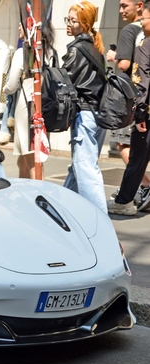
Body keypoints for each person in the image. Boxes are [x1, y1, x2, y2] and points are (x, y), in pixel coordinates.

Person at [62, 1, 107, 214]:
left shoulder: (77, 49)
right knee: (78, 167)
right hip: (98, 115)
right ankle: (63, 211)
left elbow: (64, 80)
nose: (68, 24)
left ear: (85, 24)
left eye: (73, 21)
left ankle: (102, 222)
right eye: (67, 20)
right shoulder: (95, 47)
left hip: (85, 115)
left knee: (86, 169)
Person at [106, 0, 150, 211]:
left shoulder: (132, 33)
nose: (121, 10)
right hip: (140, 101)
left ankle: (136, 192)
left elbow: (128, 67)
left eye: (125, 6)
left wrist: (114, 56)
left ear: (139, 6)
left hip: (133, 100)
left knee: (127, 147)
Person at [3, 22, 56, 179]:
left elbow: (11, 85)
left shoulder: (23, 52)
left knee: (32, 160)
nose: (19, 28)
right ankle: (23, 194)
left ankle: (39, 195)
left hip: (26, 108)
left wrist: (4, 89)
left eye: (22, 26)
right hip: (43, 105)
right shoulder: (47, 52)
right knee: (23, 161)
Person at [0, 0, 20, 120]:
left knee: (3, 76)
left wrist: (12, 46)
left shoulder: (11, 2)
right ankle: (0, 108)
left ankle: (5, 108)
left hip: (6, 44)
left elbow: (15, 20)